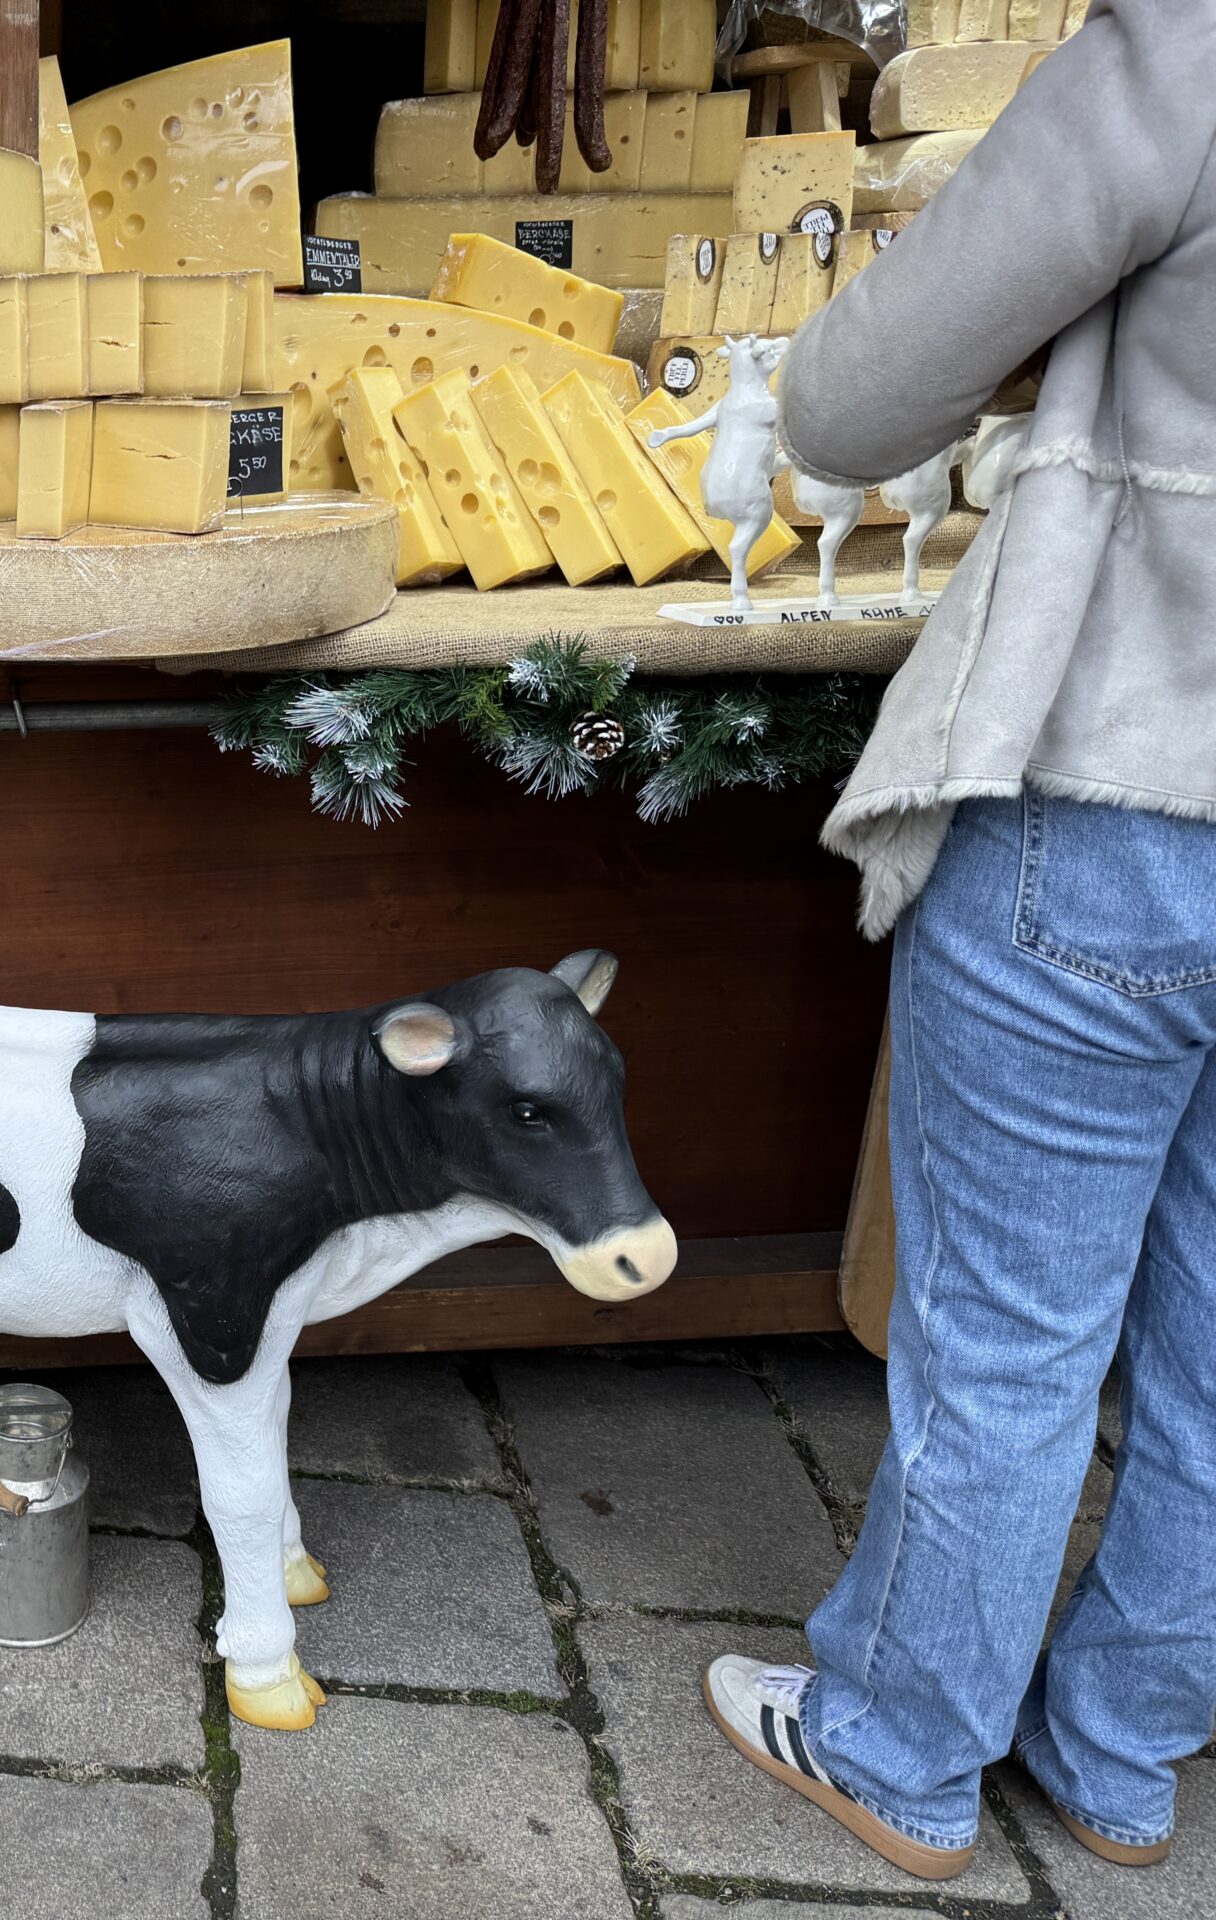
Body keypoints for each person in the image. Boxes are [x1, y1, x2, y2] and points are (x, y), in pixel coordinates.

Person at [697, 0, 1216, 1883]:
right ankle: (1123, 1752)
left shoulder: (1185, 54)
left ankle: (901, 1748)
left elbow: (850, 404)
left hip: (1126, 770)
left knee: (1008, 1340)